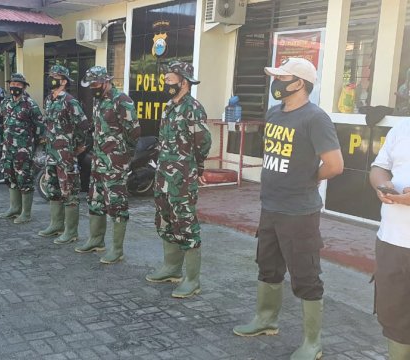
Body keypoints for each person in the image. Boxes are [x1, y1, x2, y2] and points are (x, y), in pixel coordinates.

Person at [231, 57, 344, 360]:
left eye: (282, 77)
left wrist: (309, 178)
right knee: (268, 266)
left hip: (299, 211)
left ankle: (313, 342)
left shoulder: (315, 118)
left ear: (299, 83)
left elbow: (335, 165)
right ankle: (266, 320)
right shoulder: (274, 113)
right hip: (270, 206)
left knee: (306, 274)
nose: (276, 82)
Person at [145, 60, 211, 299]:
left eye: (170, 79)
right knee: (165, 219)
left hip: (182, 175)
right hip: (164, 174)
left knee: (185, 222)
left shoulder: (193, 108)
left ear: (184, 82)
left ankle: (192, 279)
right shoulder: (168, 106)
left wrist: (195, 166)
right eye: (165, 79)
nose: (166, 82)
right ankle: (171, 268)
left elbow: (203, 142)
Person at [75, 66, 140, 263]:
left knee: (117, 205)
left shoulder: (122, 101)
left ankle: (117, 250)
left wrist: (122, 153)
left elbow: (134, 131)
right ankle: (96, 240)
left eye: (95, 84)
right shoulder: (98, 100)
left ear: (105, 81)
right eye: (91, 85)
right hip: (98, 161)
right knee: (95, 200)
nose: (92, 88)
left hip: (115, 163)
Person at [369, 119, 410, 359]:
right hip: (392, 240)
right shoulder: (402, 128)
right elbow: (379, 167)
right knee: (393, 316)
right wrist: (381, 184)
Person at [38, 65, 90, 244]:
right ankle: (56, 225)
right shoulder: (49, 100)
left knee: (69, 191)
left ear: (64, 81)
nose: (51, 79)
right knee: (53, 189)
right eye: (50, 75)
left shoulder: (70, 101)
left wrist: (79, 145)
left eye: (55, 76)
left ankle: (71, 231)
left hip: (66, 154)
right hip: (51, 153)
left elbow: (83, 125)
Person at [0, 73, 44, 224]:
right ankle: (14, 208)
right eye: (13, 84)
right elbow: (1, 124)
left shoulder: (30, 104)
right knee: (10, 177)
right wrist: (1, 144)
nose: (14, 87)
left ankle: (26, 213)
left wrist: (34, 147)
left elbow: (40, 127)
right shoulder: (5, 103)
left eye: (18, 85)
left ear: (23, 87)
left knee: (24, 178)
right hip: (8, 148)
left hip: (23, 150)